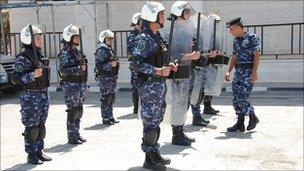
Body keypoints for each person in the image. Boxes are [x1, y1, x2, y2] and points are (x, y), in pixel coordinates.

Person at [132, 1, 178, 170]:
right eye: (161, 14)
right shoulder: (143, 38)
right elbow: (136, 64)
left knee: (156, 122)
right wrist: (158, 71)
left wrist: (170, 66)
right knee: (150, 123)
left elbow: (159, 59)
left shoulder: (156, 36)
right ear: (152, 17)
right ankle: (148, 158)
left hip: (158, 86)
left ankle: (154, 153)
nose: (164, 17)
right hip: (149, 86)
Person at [13, 24, 52, 164]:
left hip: (42, 94)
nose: (40, 41)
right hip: (30, 97)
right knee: (32, 127)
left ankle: (39, 151)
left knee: (41, 125)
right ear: (29, 39)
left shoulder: (39, 56)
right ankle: (31, 154)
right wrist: (32, 75)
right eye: (37, 38)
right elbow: (15, 78)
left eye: (40, 38)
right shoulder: (23, 58)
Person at [165, 1, 200, 146]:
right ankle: (176, 134)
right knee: (178, 103)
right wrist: (191, 56)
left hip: (185, 71)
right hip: (176, 73)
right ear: (179, 13)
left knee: (182, 103)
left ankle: (180, 131)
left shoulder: (183, 30)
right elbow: (172, 55)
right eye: (186, 12)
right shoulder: (174, 30)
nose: (188, 15)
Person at [225, 17, 260, 132]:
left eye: (232, 29)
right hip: (238, 72)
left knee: (241, 97)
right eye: (230, 29)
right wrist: (228, 71)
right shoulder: (236, 41)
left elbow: (257, 54)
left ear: (240, 28)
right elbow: (234, 57)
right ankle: (240, 123)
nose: (231, 32)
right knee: (235, 99)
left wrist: (254, 72)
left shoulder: (252, 38)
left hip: (248, 72)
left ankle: (252, 116)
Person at [58, 24, 88, 144]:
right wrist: (79, 68)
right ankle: (72, 136)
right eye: (75, 37)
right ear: (69, 38)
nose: (78, 39)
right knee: (73, 111)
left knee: (79, 110)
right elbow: (63, 70)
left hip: (79, 85)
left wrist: (85, 83)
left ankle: (76, 133)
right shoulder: (65, 53)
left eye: (78, 37)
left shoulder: (77, 51)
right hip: (70, 85)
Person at [94, 29, 120, 125]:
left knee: (111, 97)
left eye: (111, 39)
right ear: (103, 39)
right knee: (106, 98)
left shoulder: (109, 50)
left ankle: (110, 116)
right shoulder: (101, 50)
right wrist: (110, 65)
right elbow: (99, 65)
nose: (111, 41)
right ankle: (105, 117)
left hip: (111, 77)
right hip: (105, 78)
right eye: (109, 39)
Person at [127, 12, 142, 115]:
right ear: (136, 24)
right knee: (136, 86)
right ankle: (136, 107)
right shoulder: (132, 35)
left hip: (144, 65)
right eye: (140, 22)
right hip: (136, 65)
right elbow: (131, 51)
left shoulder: (145, 34)